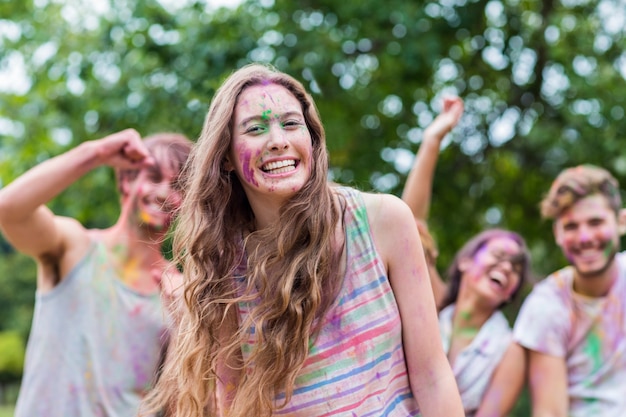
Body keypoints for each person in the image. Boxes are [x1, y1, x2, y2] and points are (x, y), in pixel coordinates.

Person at [140, 63, 464, 417]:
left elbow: (432, 375)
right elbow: (236, 403)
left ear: (312, 139)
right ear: (227, 157)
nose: (278, 140)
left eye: (291, 123)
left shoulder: (383, 221)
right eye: (256, 128)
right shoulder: (223, 265)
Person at [0, 129, 193, 416]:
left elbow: (180, 401)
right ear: (127, 180)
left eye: (178, 186)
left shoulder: (180, 290)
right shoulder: (74, 248)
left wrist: (186, 325)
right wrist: (96, 153)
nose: (165, 192)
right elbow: (9, 210)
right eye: (153, 177)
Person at [401, 96, 531, 417]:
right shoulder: (433, 304)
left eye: (516, 268)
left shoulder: (510, 349)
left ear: (513, 290)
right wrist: (434, 139)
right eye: (499, 256)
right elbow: (411, 227)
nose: (507, 268)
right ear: (465, 261)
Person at [513, 164, 626, 416]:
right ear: (557, 234)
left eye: (595, 222)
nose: (584, 237)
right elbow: (550, 412)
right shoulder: (547, 305)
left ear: (621, 222)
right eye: (571, 226)